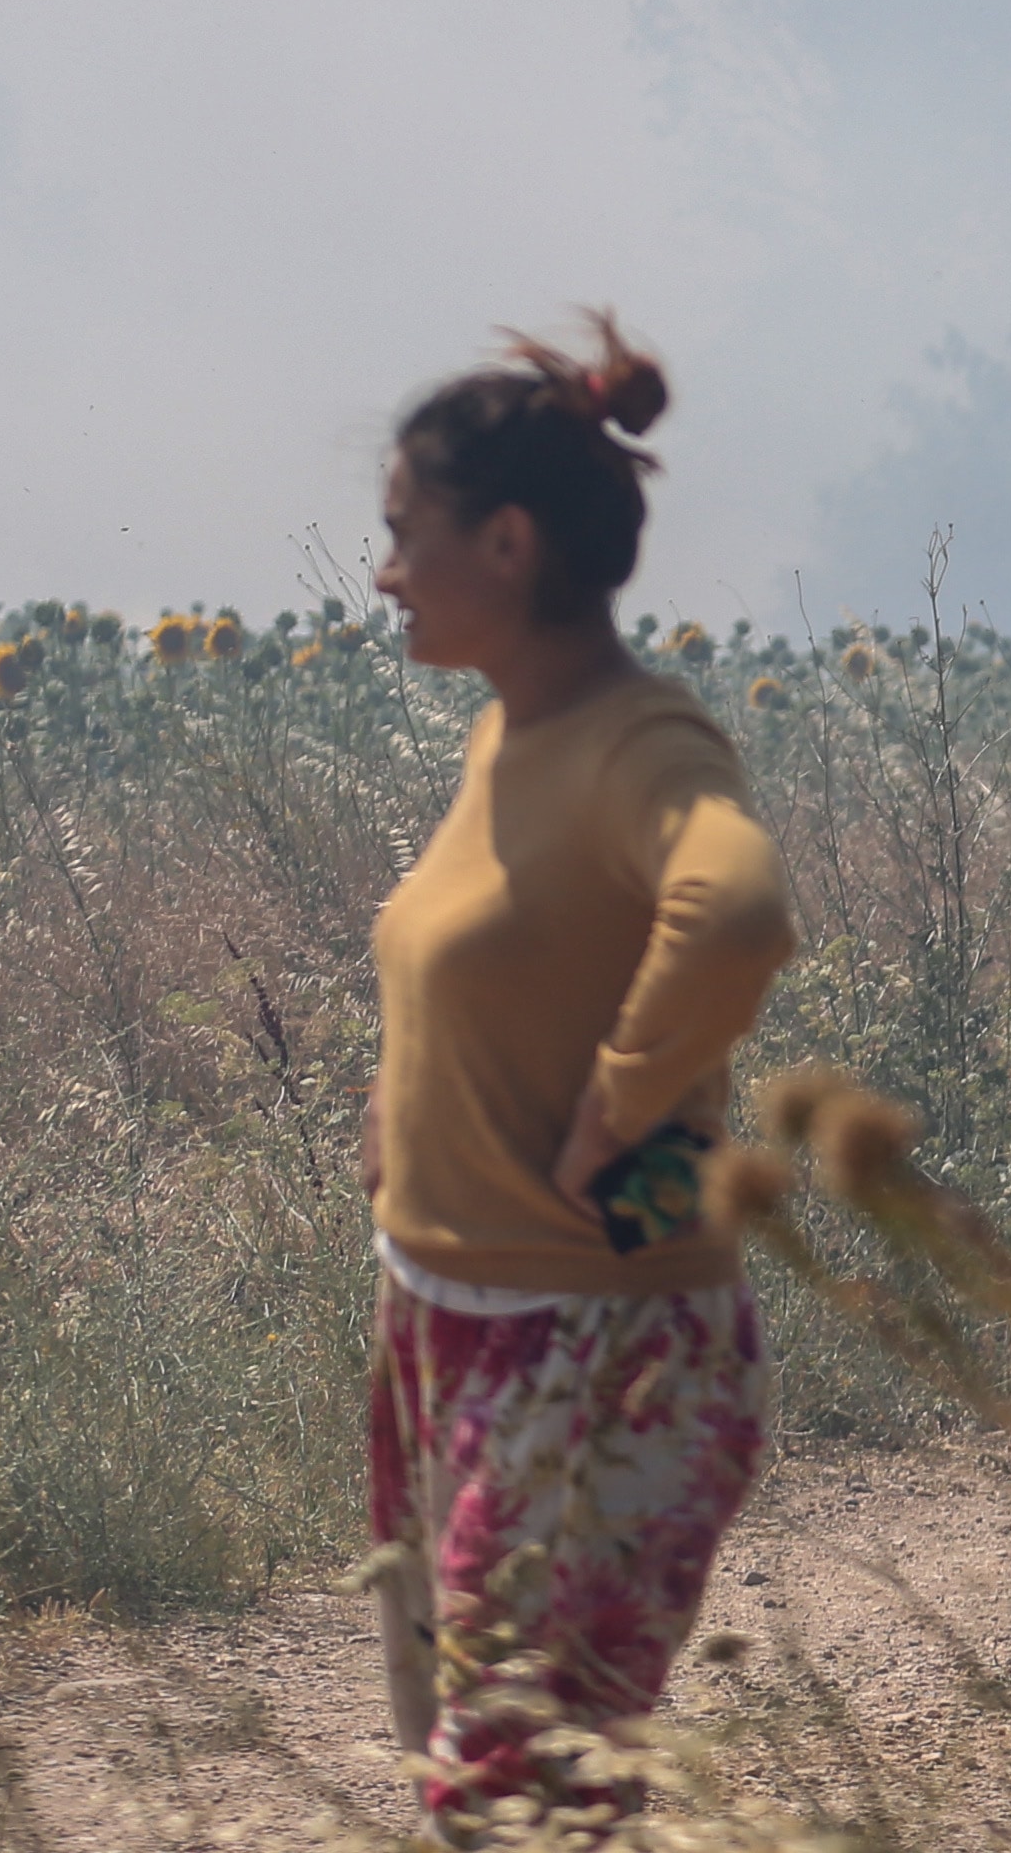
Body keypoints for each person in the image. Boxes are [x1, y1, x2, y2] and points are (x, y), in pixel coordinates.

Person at [362, 319, 796, 1833]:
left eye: (403, 533)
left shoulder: (639, 746)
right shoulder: (513, 734)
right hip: (455, 1324)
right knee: (486, 1784)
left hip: (600, 1350)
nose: (385, 571)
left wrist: (618, 1107)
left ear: (508, 538)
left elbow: (736, 909)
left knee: (519, 1793)